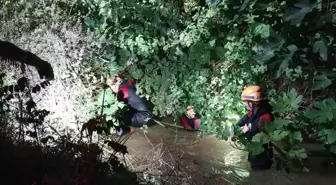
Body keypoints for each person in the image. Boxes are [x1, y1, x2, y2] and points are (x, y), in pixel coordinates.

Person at [232, 85, 274, 171]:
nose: (245, 105)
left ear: (252, 103)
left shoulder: (266, 117)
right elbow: (241, 122)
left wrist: (246, 131)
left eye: (246, 102)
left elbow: (259, 136)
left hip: (261, 157)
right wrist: (236, 131)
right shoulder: (253, 112)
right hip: (254, 152)